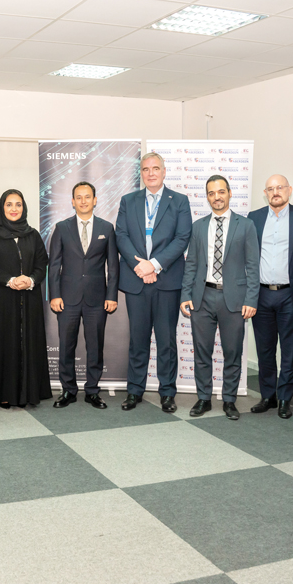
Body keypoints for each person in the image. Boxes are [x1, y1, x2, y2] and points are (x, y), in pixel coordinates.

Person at [115, 152, 192, 413]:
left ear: (164, 171)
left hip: (167, 281)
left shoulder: (179, 201)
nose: (150, 173)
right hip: (137, 281)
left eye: (155, 168)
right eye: (146, 169)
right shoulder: (129, 200)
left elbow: (182, 238)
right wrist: (140, 266)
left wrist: (154, 264)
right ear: (141, 173)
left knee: (167, 341)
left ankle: (167, 392)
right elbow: (121, 235)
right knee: (138, 340)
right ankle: (134, 391)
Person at [181, 175, 259, 420]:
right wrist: (185, 294)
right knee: (202, 352)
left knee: (232, 353)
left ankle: (229, 400)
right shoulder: (198, 226)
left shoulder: (245, 225)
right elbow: (191, 264)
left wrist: (251, 299)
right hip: (202, 297)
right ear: (207, 197)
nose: (217, 197)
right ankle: (203, 398)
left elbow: (253, 266)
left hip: (234, 299)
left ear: (229, 193)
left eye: (221, 192)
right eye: (212, 193)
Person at [0, 189, 51, 408]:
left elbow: (42, 263)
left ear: (23, 207)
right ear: (2, 207)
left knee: (28, 342)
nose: (14, 209)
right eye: (9, 204)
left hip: (28, 299)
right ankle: (4, 393)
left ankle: (29, 392)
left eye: (18, 204)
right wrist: (10, 280)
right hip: (0, 300)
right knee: (4, 344)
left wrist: (30, 279)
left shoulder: (32, 234)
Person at [48, 181, 119, 409]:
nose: (83, 201)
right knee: (66, 346)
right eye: (79, 197)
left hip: (97, 300)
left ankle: (92, 391)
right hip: (66, 299)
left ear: (95, 200)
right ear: (72, 201)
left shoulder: (107, 228)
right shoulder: (62, 227)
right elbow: (54, 265)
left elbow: (113, 266)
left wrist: (112, 296)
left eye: (87, 197)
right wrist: (54, 295)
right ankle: (68, 390)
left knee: (95, 346)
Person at [247, 174, 293, 419]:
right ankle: (268, 396)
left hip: (291, 295)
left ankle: (285, 397)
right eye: (271, 188)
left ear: (289, 190)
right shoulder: (254, 218)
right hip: (261, 294)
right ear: (265, 193)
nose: (275, 192)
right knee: (264, 349)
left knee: (289, 349)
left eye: (280, 187)